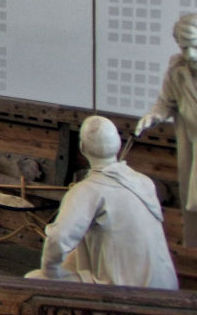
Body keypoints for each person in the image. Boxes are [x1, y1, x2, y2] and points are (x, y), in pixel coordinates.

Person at [26, 115, 177, 289]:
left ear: (82, 147)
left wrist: (50, 272)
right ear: (118, 145)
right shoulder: (144, 182)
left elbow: (58, 239)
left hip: (124, 289)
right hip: (165, 285)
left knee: (34, 279)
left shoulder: (87, 190)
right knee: (74, 258)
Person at [136, 13, 197, 247]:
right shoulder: (178, 69)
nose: (189, 54)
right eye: (184, 47)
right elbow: (166, 102)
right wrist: (154, 116)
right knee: (192, 208)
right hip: (191, 147)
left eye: (193, 46)